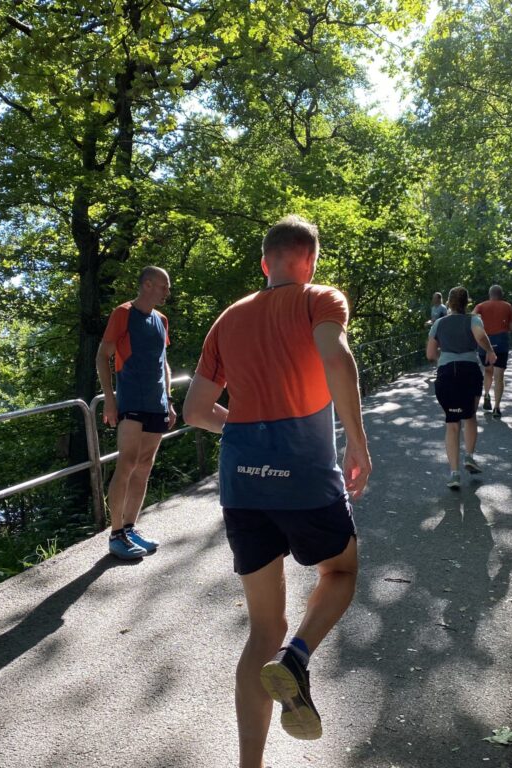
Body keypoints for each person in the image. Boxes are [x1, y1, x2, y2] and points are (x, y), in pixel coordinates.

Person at [183, 215, 371, 768]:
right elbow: (335, 358)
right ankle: (297, 658)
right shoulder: (320, 299)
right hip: (305, 477)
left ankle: (250, 765)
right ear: (310, 260)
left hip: (242, 485)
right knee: (340, 571)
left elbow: (195, 411)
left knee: (262, 628)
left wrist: (243, 430)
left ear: (264, 263)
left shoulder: (229, 318)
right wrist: (357, 442)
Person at [95, 266, 178, 560]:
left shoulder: (161, 320)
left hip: (157, 403)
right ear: (148, 284)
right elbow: (102, 356)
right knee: (127, 463)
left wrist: (169, 400)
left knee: (144, 465)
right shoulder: (123, 313)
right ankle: (116, 534)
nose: (167, 291)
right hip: (131, 400)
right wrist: (109, 399)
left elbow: (163, 363)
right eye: (164, 286)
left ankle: (130, 528)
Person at [427, 286, 497, 488]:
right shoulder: (473, 319)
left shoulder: (439, 323)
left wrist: (444, 359)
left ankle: (454, 474)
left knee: (452, 423)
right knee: (470, 416)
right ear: (467, 302)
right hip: (469, 371)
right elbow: (480, 336)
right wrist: (490, 351)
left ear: (449, 303)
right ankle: (469, 456)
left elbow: (430, 354)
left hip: (446, 374)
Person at [474, 284, 512, 418]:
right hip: (501, 342)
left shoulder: (480, 306)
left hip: (484, 342)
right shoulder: (508, 306)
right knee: (499, 375)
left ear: (490, 294)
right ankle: (497, 408)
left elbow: (472, 321)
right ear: (501, 294)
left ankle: (487, 394)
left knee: (488, 371)